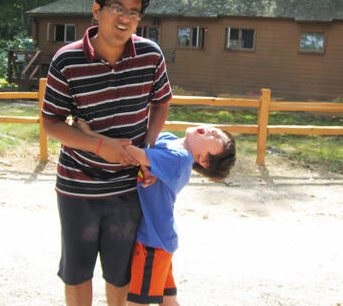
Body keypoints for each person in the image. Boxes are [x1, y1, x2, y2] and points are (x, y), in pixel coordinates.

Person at [41, 0, 172, 306]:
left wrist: (148, 151)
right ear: (97, 10)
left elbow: (161, 102)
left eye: (134, 11)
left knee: (120, 273)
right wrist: (102, 146)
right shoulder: (67, 60)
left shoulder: (150, 55)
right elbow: (51, 122)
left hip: (128, 188)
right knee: (77, 272)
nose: (126, 17)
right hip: (77, 187)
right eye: (117, 7)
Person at [74, 120, 236, 305]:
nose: (213, 131)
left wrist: (88, 135)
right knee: (168, 301)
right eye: (216, 130)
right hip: (161, 240)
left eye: (216, 139)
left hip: (152, 242)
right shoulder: (169, 141)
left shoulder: (181, 158)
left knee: (137, 302)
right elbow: (145, 150)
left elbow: (128, 152)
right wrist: (151, 167)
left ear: (205, 161)